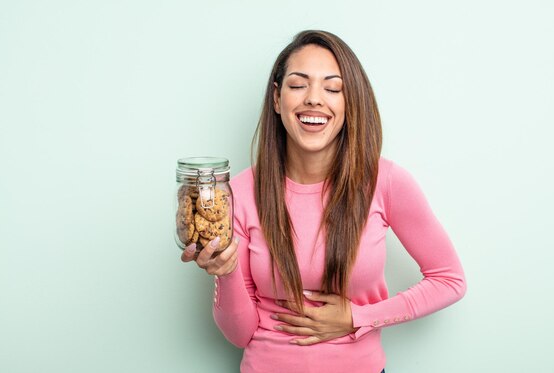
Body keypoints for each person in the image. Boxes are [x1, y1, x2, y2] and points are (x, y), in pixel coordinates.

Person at [181, 30, 466, 373]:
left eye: (333, 88)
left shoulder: (385, 182)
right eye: (299, 85)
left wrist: (358, 318)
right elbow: (240, 335)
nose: (314, 99)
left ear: (350, 102)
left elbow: (450, 280)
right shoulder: (238, 193)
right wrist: (225, 274)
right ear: (276, 98)